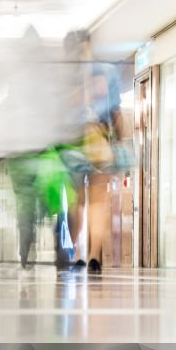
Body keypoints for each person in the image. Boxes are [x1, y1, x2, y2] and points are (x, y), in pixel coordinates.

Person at [64, 29, 128, 274]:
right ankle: (94, 255)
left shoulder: (67, 76)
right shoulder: (108, 71)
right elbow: (116, 113)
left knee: (76, 202)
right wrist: (120, 142)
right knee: (99, 202)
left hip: (73, 141)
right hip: (100, 138)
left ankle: (78, 253)